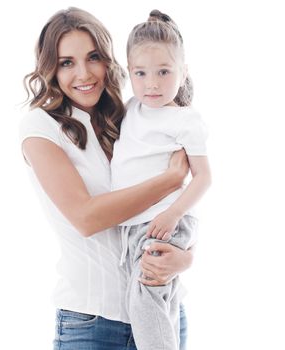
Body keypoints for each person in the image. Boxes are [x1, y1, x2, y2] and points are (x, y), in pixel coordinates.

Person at [20, 7, 193, 350]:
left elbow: (170, 210)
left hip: (163, 310)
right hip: (93, 325)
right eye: (66, 62)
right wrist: (171, 178)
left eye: (93, 57)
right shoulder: (41, 128)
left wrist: (185, 257)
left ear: (109, 61)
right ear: (50, 68)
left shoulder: (130, 119)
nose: (83, 73)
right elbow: (86, 218)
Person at [111, 9, 212, 350]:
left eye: (163, 72)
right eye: (141, 73)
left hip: (165, 221)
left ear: (183, 73)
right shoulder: (130, 109)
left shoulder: (185, 120)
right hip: (136, 226)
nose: (151, 83)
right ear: (129, 72)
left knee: (145, 303)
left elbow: (203, 178)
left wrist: (172, 215)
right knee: (157, 305)